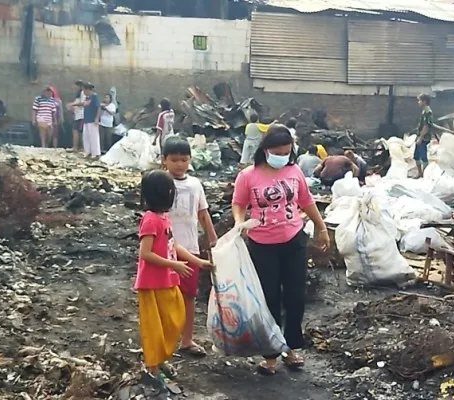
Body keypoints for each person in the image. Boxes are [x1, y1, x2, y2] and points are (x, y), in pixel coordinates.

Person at [231, 125, 329, 375]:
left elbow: (306, 201)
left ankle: (292, 348)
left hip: (294, 240)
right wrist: (239, 223)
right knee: (269, 298)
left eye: (287, 152)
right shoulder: (248, 176)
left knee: (295, 296)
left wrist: (321, 227)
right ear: (265, 150)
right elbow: (238, 204)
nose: (282, 156)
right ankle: (271, 354)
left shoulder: (294, 171)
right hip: (262, 245)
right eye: (277, 152)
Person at [136, 170, 213, 393]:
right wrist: (174, 265)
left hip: (166, 280)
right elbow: (145, 254)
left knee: (174, 318)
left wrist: (197, 261)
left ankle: (158, 360)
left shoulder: (163, 218)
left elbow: (174, 246)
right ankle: (152, 367)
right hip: (152, 282)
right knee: (155, 327)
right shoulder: (150, 219)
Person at [162, 137, 218, 357]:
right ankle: (165, 339)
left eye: (183, 160)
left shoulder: (195, 184)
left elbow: (202, 213)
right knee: (166, 296)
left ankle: (186, 340)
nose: (179, 164)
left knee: (188, 296)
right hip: (164, 251)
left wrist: (213, 238)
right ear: (164, 160)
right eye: (174, 160)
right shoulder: (160, 183)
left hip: (191, 248)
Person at [415, 93, 434, 178]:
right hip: (420, 136)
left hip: (424, 138)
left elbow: (426, 126)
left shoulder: (427, 111)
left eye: (419, 100)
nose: (418, 102)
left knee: (423, 156)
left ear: (424, 101)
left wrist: (421, 138)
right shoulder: (424, 111)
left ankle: (425, 175)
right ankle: (420, 173)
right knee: (416, 156)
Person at [81, 82, 101, 156]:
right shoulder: (87, 98)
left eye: (84, 90)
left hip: (92, 119)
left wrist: (97, 118)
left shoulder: (94, 97)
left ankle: (95, 153)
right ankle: (88, 151)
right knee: (86, 137)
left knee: (94, 137)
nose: (83, 92)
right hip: (86, 119)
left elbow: (98, 107)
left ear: (87, 90)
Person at [66, 80, 86, 151]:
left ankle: (79, 147)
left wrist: (72, 105)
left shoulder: (83, 93)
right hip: (77, 115)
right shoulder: (78, 94)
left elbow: (83, 103)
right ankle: (78, 147)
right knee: (77, 131)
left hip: (81, 115)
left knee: (78, 131)